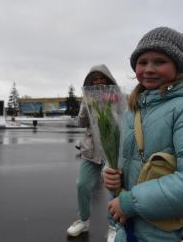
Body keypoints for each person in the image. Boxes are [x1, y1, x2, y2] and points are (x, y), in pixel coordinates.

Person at [103, 27, 183, 241]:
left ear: (178, 67)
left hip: (181, 235)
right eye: (142, 62)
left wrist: (129, 202)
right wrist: (112, 174)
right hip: (135, 230)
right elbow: (132, 163)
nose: (149, 69)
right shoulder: (132, 111)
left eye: (159, 61)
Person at [67, 64, 117, 240]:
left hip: (112, 149)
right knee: (82, 184)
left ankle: (114, 226)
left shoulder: (116, 96)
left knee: (113, 187)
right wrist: (85, 106)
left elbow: (122, 119)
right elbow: (81, 124)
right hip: (90, 149)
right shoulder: (87, 97)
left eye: (101, 78)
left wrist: (111, 104)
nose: (98, 81)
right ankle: (83, 220)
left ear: (108, 79)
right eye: (94, 79)